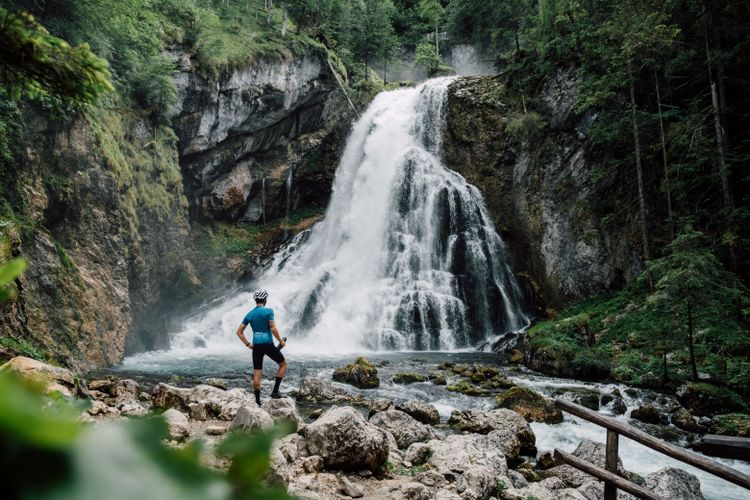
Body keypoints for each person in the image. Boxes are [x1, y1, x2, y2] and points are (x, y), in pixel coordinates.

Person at [236, 288, 287, 405]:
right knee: (283, 364)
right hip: (268, 344)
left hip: (257, 347)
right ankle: (275, 392)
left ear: (255, 300)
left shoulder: (250, 314)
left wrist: (248, 344)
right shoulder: (268, 311)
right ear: (265, 299)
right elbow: (273, 328)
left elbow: (239, 332)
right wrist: (281, 341)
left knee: (257, 375)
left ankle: (258, 402)